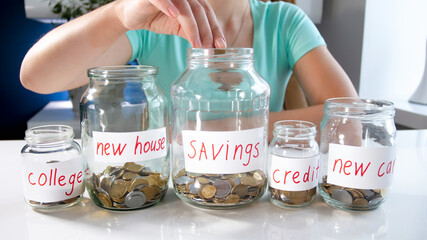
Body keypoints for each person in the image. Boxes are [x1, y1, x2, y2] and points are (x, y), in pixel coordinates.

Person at [20, 0, 357, 140]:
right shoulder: (156, 19)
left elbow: (350, 118)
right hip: (177, 188)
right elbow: (36, 76)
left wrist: (226, 127)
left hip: (260, 184)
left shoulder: (285, 20)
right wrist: (118, 14)